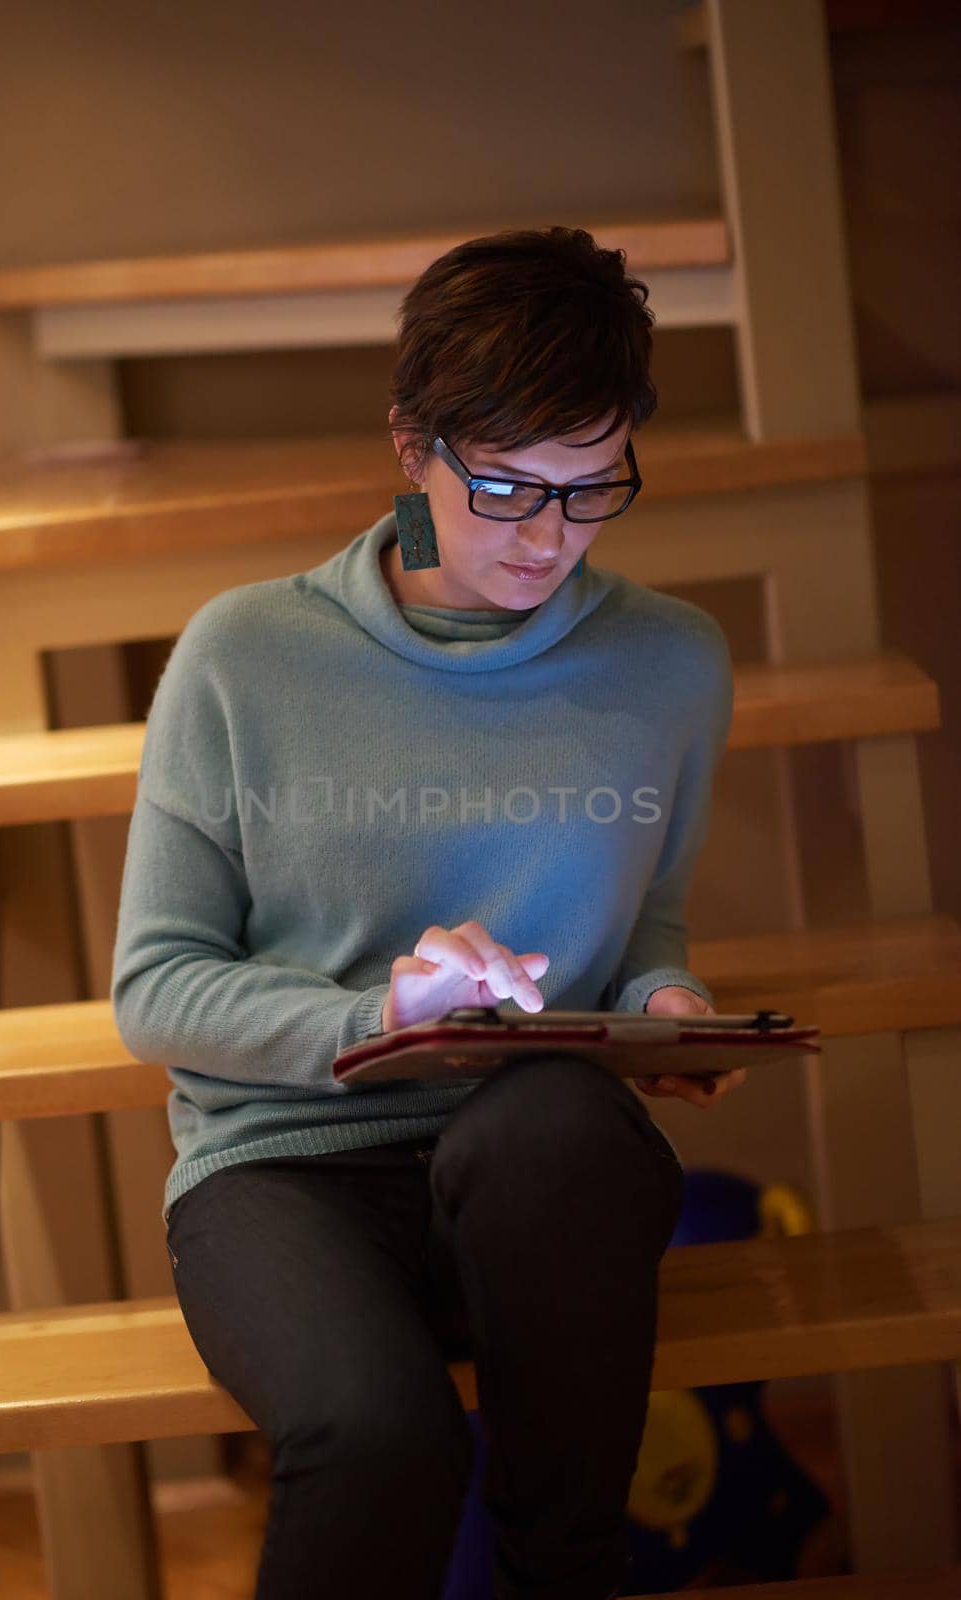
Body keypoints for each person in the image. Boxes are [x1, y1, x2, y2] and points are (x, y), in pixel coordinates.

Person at [111, 224, 743, 1600]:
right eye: (506, 487)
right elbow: (154, 989)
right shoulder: (244, 657)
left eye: (591, 490)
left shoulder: (672, 663)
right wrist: (376, 1016)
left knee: (559, 1128)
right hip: (281, 1171)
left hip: (532, 1184)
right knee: (380, 1437)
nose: (547, 539)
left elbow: (647, 931)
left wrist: (667, 1010)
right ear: (412, 444)